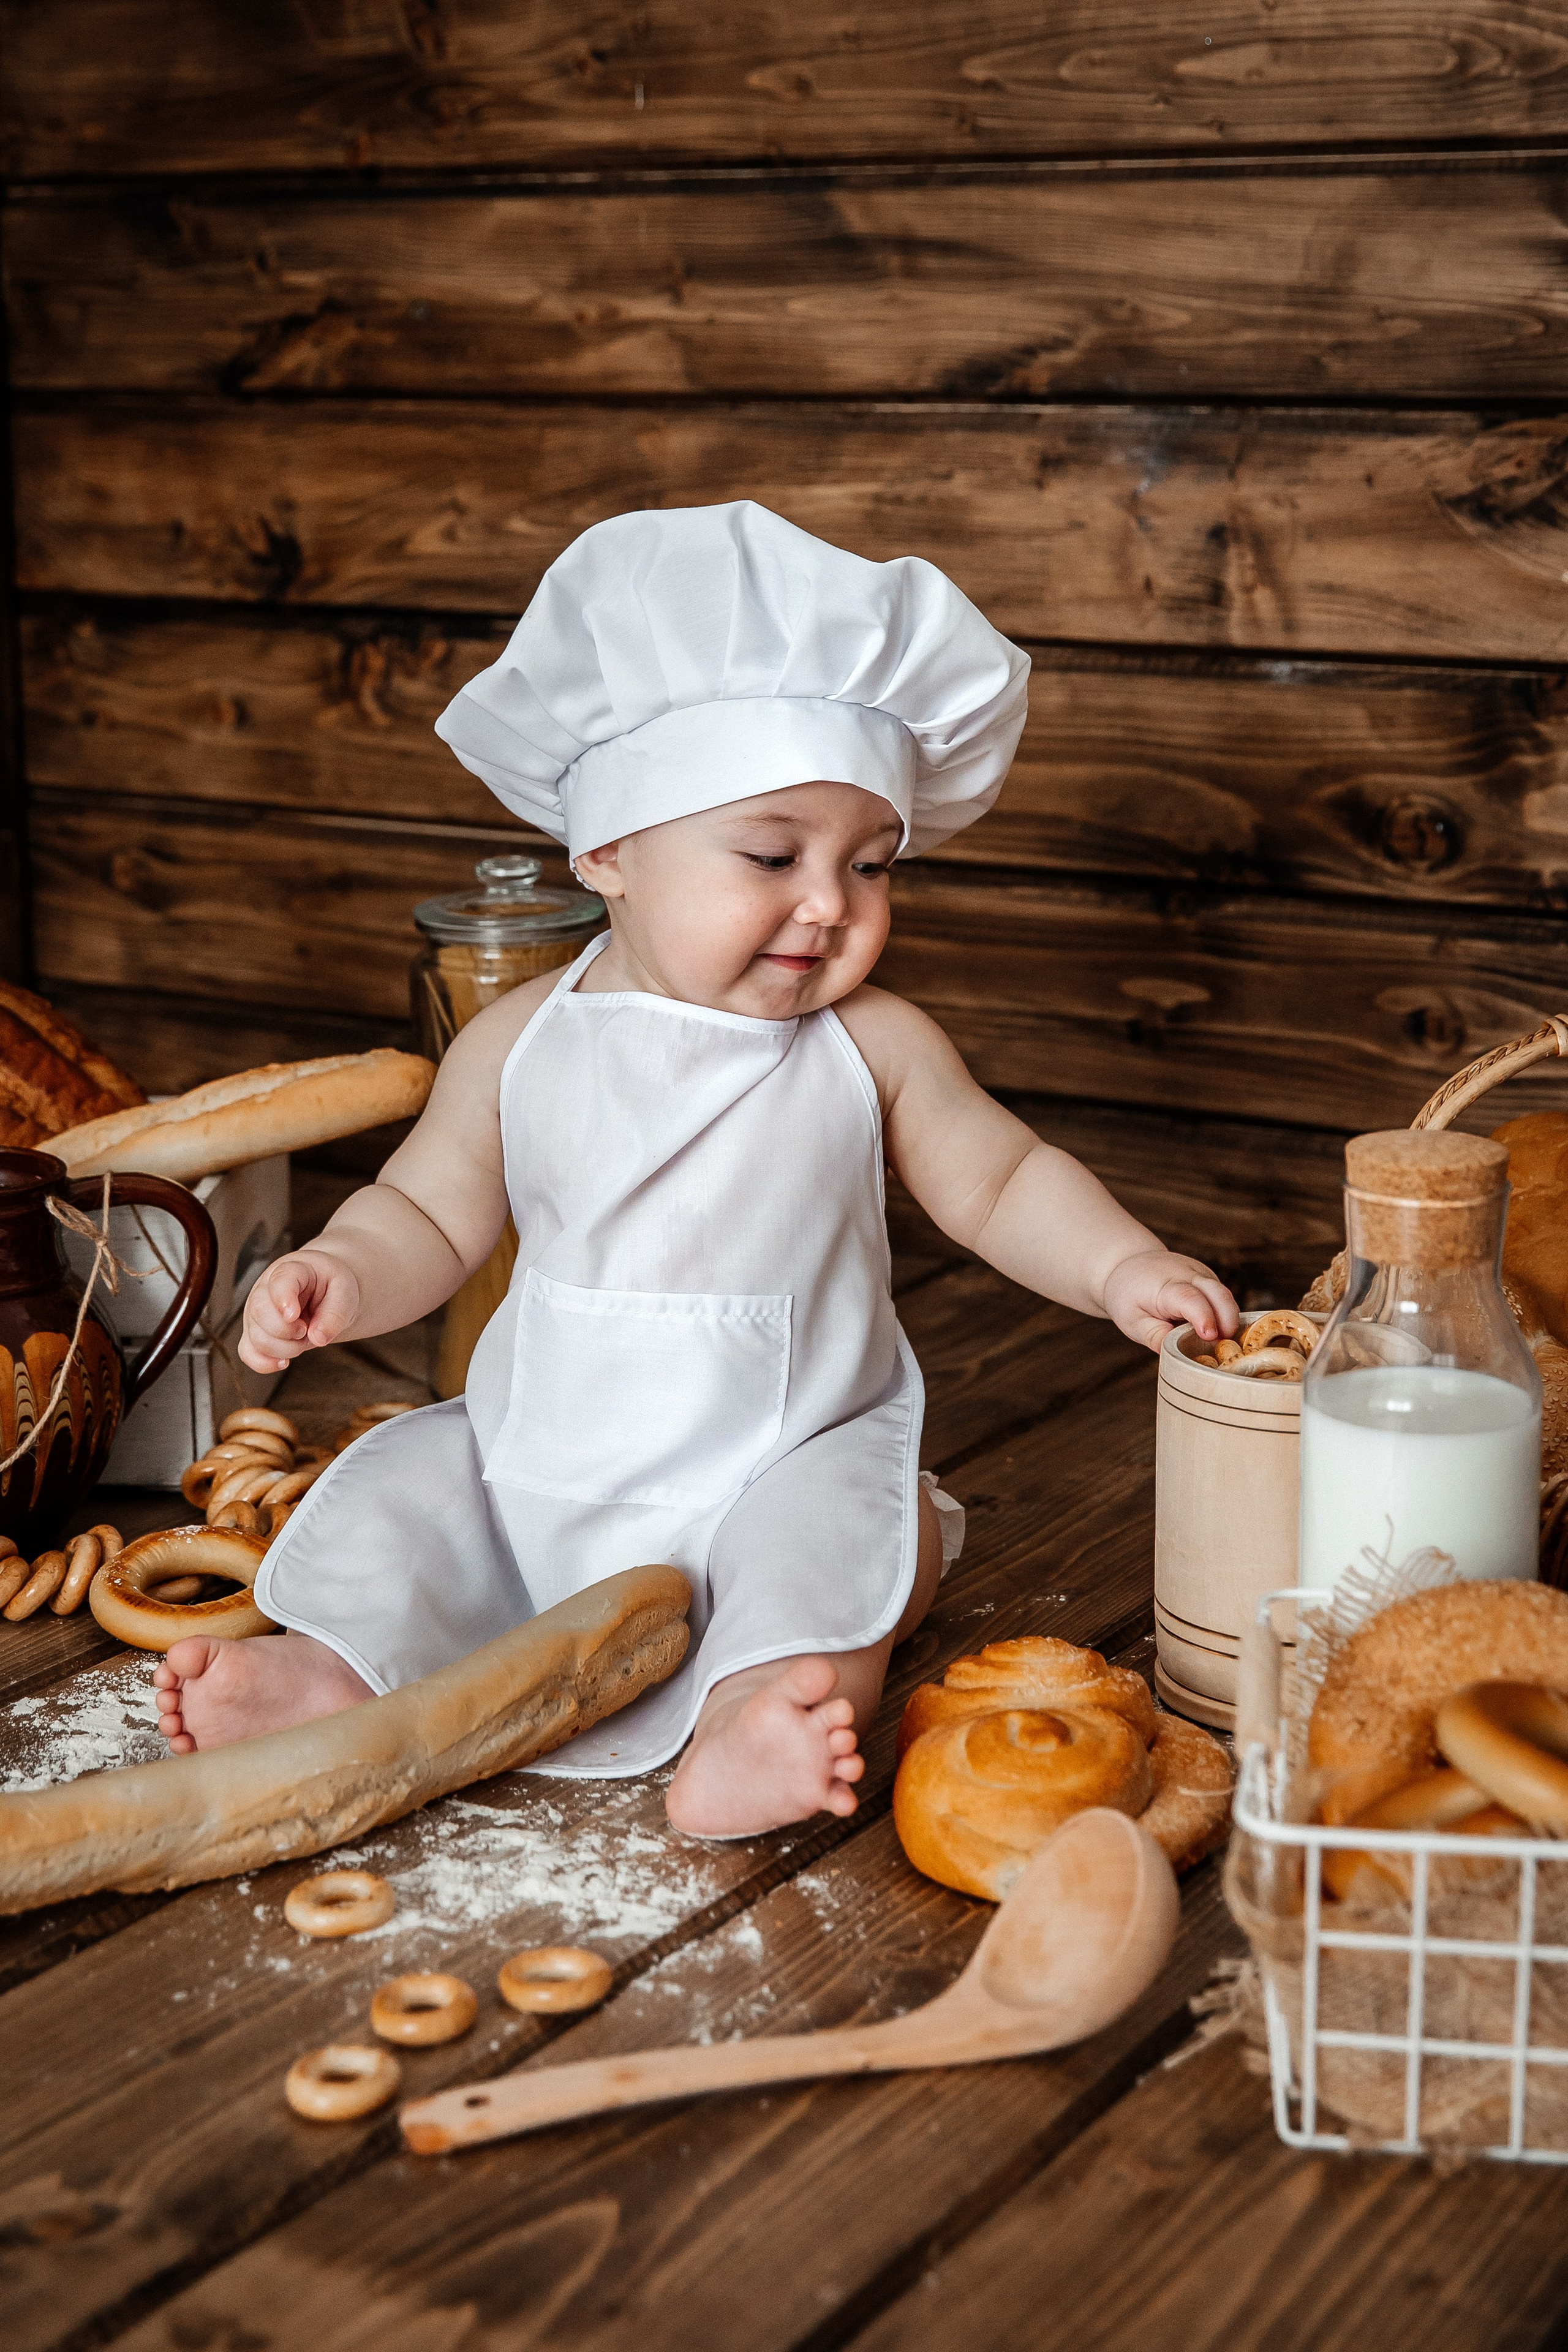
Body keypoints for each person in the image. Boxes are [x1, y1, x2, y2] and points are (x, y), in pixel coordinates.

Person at [153, 502, 1238, 1834]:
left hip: (778, 1470)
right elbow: (426, 1211)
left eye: (871, 864)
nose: (830, 902)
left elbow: (1003, 1180)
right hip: (536, 1474)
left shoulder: (872, 1046)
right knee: (405, 1501)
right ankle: (335, 1676)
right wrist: (342, 1273)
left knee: (858, 1546)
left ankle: (751, 1718)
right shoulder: (519, 1041)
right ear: (609, 851)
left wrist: (1122, 1266)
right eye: (773, 855)